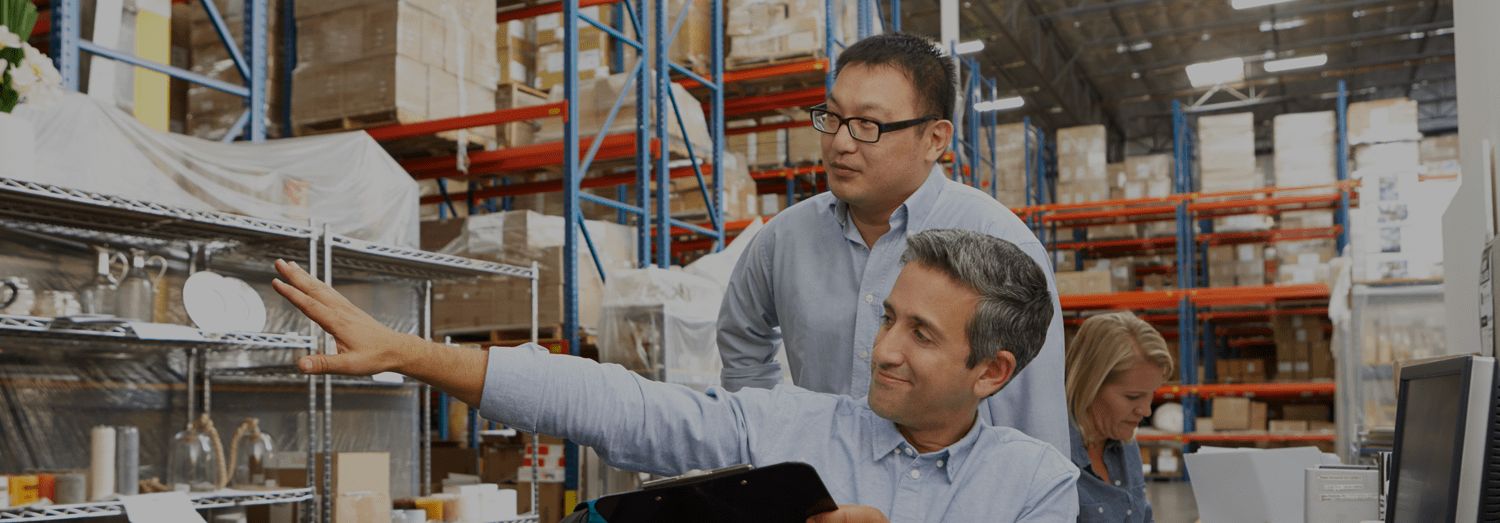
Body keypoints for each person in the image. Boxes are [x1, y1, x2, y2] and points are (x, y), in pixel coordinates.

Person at [272, 230, 1079, 522]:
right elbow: (619, 405)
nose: (884, 349)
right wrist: (411, 351)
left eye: (922, 334)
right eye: (887, 318)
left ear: (990, 369)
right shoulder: (787, 427)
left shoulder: (1034, 485)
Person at [717, 32, 1069, 453]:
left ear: (935, 139)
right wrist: (768, 432)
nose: (841, 143)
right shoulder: (783, 239)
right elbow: (741, 338)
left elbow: (1035, 425)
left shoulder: (1002, 244)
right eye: (832, 118)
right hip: (821, 494)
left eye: (868, 125)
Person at [1063, 312, 1175, 522]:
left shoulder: (1125, 443)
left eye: (1150, 395)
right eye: (1133, 397)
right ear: (1090, 384)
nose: (1146, 411)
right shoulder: (1055, 458)